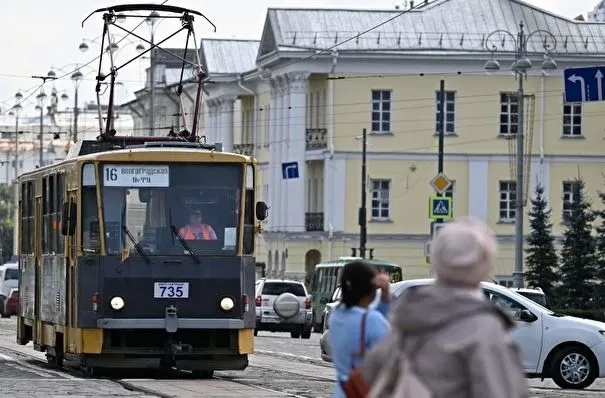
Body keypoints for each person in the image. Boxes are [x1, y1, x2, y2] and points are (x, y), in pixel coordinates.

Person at [362, 217, 528, 398]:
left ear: (436, 260)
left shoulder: (409, 317)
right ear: (485, 265)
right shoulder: (484, 329)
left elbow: (370, 373)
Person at [328, 260, 391, 398]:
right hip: (367, 392)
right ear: (371, 288)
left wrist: (384, 300)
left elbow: (364, 318)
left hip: (343, 391)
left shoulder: (336, 315)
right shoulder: (371, 320)